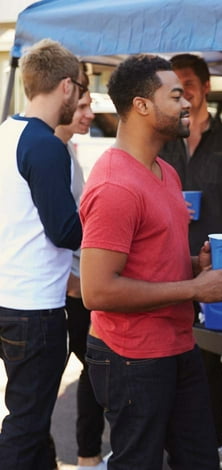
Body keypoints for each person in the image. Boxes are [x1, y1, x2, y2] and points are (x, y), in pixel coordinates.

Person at [78, 54, 222, 470]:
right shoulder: (115, 185)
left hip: (177, 344)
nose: (187, 104)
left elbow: (149, 263)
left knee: (201, 460)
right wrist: (193, 289)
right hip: (130, 356)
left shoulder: (166, 171)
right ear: (142, 105)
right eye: (176, 95)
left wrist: (192, 265)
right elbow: (97, 290)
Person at [158, 53, 222, 470]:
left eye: (190, 82)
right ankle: (164, 441)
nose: (184, 91)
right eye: (176, 84)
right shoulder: (164, 140)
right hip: (169, 265)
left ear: (206, 87)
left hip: (218, 268)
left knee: (211, 361)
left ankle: (216, 441)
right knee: (167, 356)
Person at [0, 38, 81, 470]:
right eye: (81, 87)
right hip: (35, 311)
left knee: (32, 420)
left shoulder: (6, 133)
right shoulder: (47, 145)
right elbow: (66, 231)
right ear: (65, 86)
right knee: (26, 424)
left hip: (9, 299)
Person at [54, 72, 109, 470]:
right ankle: (86, 456)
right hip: (66, 290)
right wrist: (73, 282)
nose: (90, 113)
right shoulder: (49, 153)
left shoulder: (69, 151)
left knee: (92, 374)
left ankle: (88, 456)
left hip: (80, 281)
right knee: (86, 373)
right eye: (84, 105)